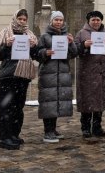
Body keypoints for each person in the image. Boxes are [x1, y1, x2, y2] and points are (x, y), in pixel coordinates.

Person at [0, 8, 38, 150]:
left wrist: (32, 47)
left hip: (22, 76)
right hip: (9, 75)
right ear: (15, 18)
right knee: (6, 107)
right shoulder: (5, 33)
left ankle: (14, 134)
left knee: (18, 107)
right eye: (20, 18)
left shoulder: (29, 34)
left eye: (24, 19)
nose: (22, 21)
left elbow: (35, 54)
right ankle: (5, 137)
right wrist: (7, 45)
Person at [33, 10, 78, 143]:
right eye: (56, 20)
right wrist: (45, 53)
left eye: (60, 20)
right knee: (48, 102)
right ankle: (48, 131)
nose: (58, 22)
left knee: (57, 102)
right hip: (49, 72)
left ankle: (53, 129)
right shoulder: (45, 36)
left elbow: (74, 53)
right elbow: (37, 53)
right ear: (51, 21)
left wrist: (71, 43)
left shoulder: (66, 36)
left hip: (62, 72)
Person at [75, 10, 105, 138]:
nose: (96, 22)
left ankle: (97, 126)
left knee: (100, 101)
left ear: (101, 21)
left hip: (102, 72)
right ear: (89, 21)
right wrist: (83, 45)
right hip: (88, 72)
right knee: (87, 101)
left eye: (98, 20)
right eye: (93, 20)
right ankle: (85, 127)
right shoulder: (81, 33)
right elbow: (74, 50)